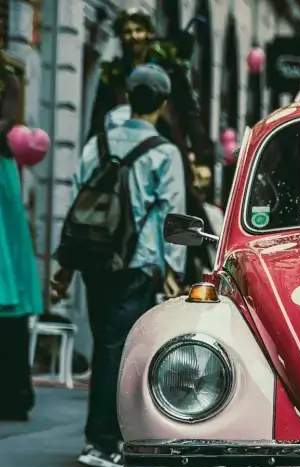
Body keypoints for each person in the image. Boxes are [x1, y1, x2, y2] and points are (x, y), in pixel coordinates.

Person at [51, 65, 186, 467]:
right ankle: (103, 441)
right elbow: (171, 215)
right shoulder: (164, 153)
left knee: (105, 342)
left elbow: (77, 203)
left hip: (94, 259)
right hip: (136, 261)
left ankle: (104, 437)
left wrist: (65, 264)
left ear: (128, 96)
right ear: (162, 104)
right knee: (118, 347)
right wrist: (172, 268)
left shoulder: (97, 143)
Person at [87, 8, 214, 287]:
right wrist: (96, 153)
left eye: (138, 30)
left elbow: (190, 115)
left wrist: (203, 158)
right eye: (127, 31)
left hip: (166, 149)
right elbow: (98, 119)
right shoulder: (114, 74)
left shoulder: (169, 68)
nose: (133, 36)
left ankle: (184, 275)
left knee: (183, 212)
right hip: (123, 157)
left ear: (148, 32)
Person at [0, 45, 42, 421]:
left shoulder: (8, 77)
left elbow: (7, 124)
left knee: (7, 267)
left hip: (1, 171)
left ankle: (14, 392)